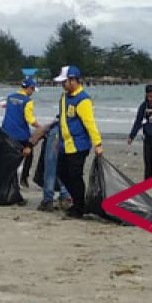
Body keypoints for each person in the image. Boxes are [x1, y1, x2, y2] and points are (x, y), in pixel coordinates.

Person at [55, 65, 103, 218]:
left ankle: (79, 207)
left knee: (75, 176)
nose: (63, 85)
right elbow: (62, 119)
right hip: (64, 144)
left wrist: (98, 144)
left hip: (78, 145)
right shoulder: (64, 97)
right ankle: (77, 202)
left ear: (73, 80)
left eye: (65, 82)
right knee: (62, 173)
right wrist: (58, 139)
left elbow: (90, 123)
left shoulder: (83, 100)